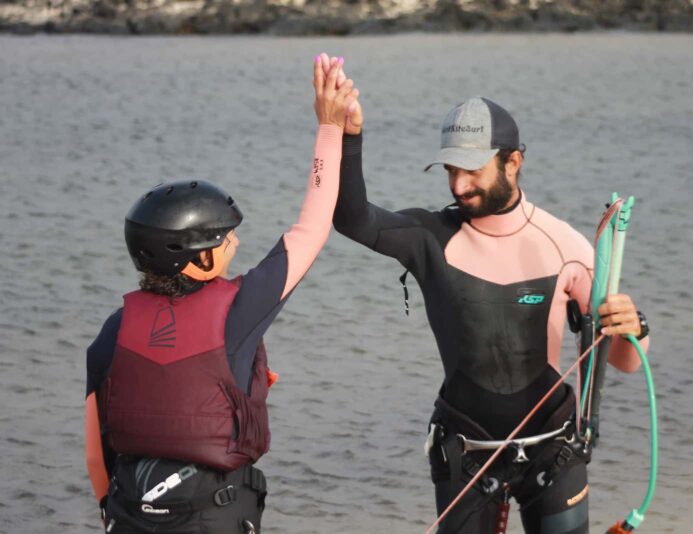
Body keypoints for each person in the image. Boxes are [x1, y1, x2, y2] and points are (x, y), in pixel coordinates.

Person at [329, 77, 651, 533]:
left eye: (473, 170)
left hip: (553, 446)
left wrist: (632, 327)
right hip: (466, 448)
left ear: (513, 162)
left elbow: (624, 362)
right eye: (450, 170)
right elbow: (350, 217)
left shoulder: (565, 245)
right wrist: (346, 136)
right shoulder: (429, 237)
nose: (459, 185)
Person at [84, 57, 359, 534]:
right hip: (213, 515)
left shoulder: (113, 330)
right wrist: (329, 128)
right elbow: (310, 231)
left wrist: (112, 512)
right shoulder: (237, 311)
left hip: (129, 513)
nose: (234, 244)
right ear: (198, 260)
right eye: (223, 239)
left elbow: (95, 453)